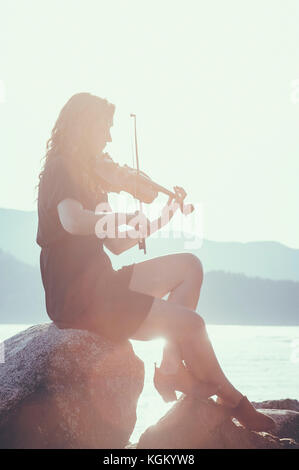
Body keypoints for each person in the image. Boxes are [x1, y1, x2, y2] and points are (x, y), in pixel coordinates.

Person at [36, 92, 275, 432]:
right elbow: (72, 220)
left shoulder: (92, 180)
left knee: (189, 267)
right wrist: (119, 216)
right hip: (79, 296)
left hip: (100, 281)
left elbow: (118, 244)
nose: (109, 137)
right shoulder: (61, 168)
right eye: (105, 128)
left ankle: (170, 368)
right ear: (84, 126)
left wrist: (164, 215)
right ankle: (235, 401)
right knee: (193, 325)